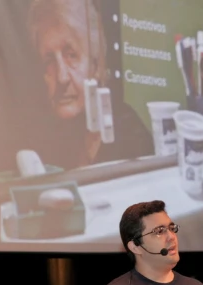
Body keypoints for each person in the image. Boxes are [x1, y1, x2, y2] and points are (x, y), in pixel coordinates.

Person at [28, 0, 153, 170]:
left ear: (96, 65)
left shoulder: (130, 136)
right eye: (49, 61)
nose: (62, 77)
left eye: (71, 55)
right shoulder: (43, 144)